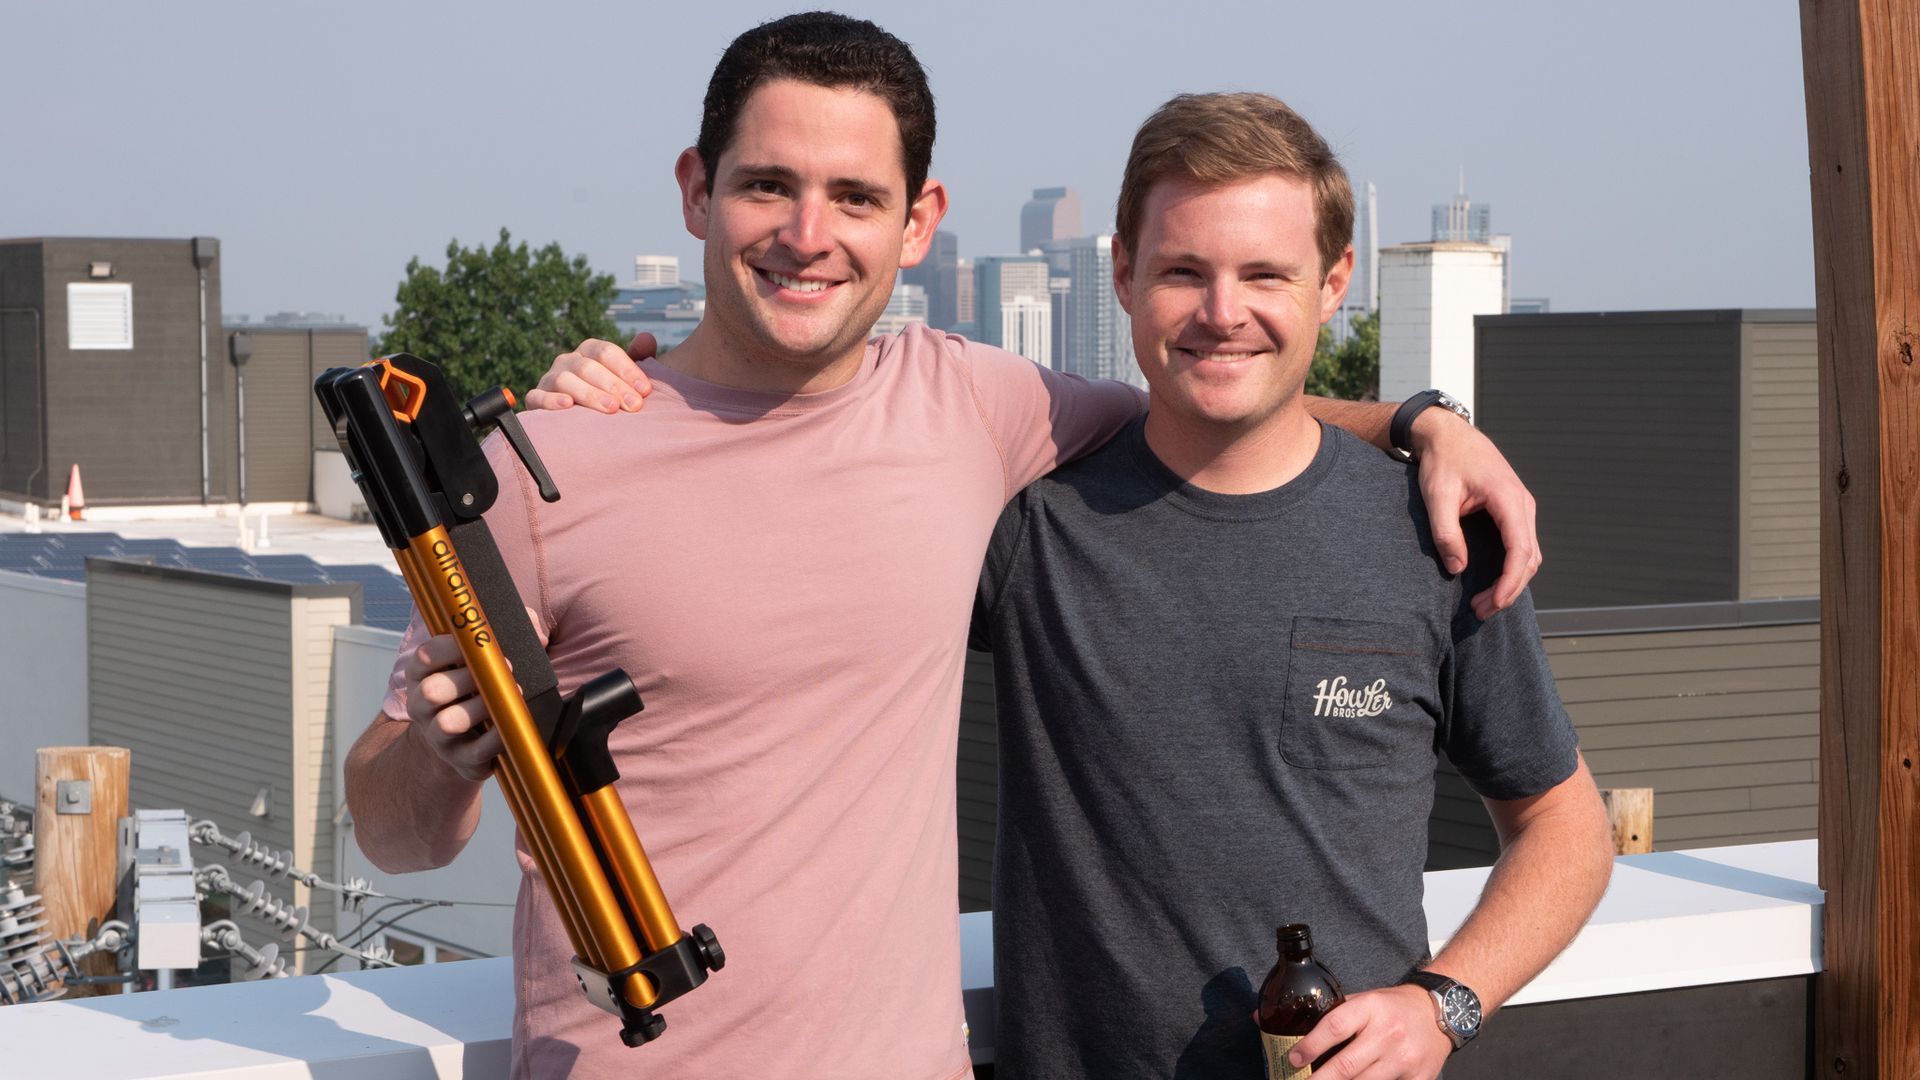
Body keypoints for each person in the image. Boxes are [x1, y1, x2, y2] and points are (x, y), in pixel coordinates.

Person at [347, 13, 1544, 1080]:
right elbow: (392, 838)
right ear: (694, 191)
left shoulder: (976, 407)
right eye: (768, 186)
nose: (809, 235)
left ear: (920, 222)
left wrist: (1422, 421)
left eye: (857, 198)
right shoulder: (546, 462)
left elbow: (1218, 385)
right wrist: (443, 761)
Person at [968, 92, 1613, 1080]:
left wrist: (1445, 1003)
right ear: (1122, 275)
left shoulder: (1434, 531)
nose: (1224, 312)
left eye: (1266, 273)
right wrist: (653, 385)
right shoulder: (1025, 528)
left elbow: (1565, 827)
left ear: (1335, 283)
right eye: (1184, 271)